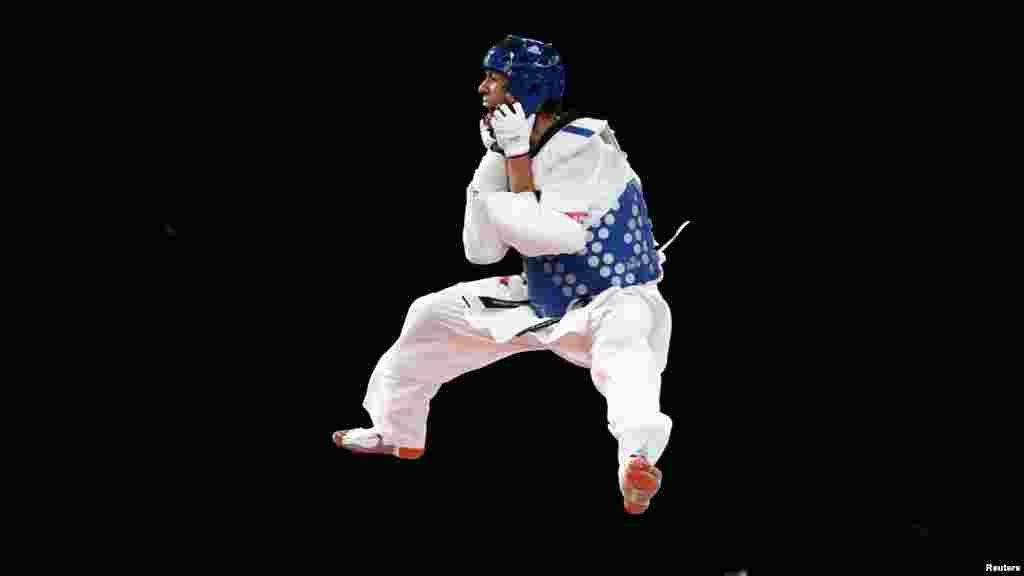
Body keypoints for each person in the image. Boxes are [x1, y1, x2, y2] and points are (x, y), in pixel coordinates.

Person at [332, 35, 689, 515]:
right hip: (542, 298)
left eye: (494, 79)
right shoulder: (509, 151)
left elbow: (554, 238)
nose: (482, 89)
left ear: (525, 88)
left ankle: (637, 460)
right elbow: (481, 251)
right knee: (430, 315)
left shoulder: (587, 145)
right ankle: (398, 433)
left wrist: (514, 163)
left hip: (614, 298)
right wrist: (501, 161)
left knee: (626, 358)